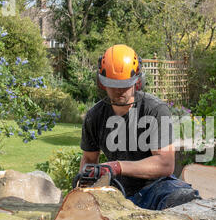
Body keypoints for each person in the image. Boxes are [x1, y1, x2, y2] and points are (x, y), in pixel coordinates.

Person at [79, 44, 200, 210]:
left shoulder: (155, 110)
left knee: (182, 197)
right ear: (101, 83)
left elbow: (165, 164)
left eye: (124, 85)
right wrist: (84, 184)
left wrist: (117, 167)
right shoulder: (95, 116)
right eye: (112, 85)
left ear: (138, 82)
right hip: (116, 191)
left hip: (155, 189)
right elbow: (89, 159)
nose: (118, 91)